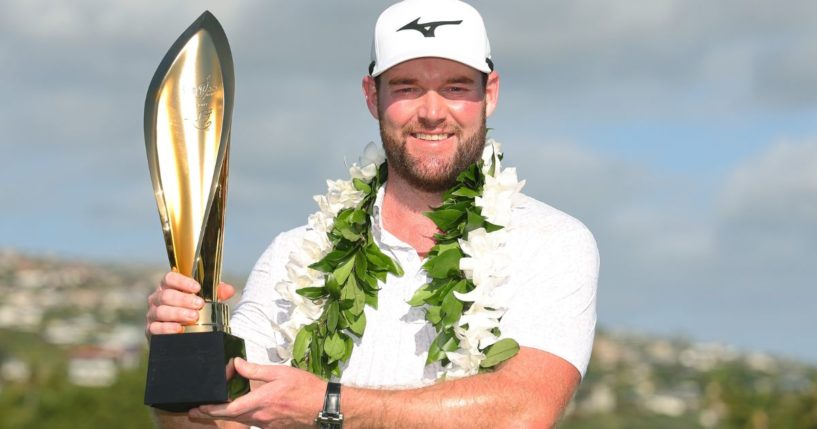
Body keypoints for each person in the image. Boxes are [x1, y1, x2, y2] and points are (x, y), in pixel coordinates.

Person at [146, 1, 598, 428]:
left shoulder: (551, 240)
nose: (432, 112)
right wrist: (183, 351)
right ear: (371, 96)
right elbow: (216, 422)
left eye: (456, 88)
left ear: (490, 93)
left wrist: (327, 405)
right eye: (407, 88)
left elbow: (522, 413)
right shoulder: (296, 255)